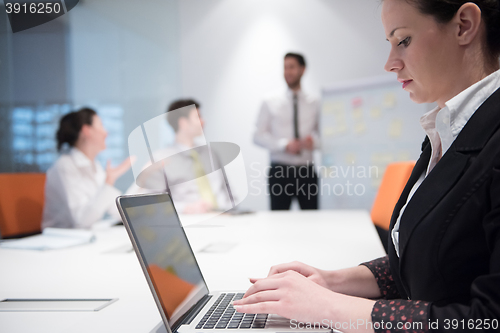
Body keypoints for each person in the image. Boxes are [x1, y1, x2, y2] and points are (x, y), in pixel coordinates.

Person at [233, 1, 500, 332]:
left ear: (463, 25)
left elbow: (489, 319)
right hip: (281, 168)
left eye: (403, 40)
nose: (389, 63)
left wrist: (329, 308)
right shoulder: (446, 131)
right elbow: (431, 258)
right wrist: (332, 281)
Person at [128, 99, 232, 214]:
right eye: (198, 117)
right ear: (183, 122)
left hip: (227, 217)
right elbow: (154, 201)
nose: (203, 121)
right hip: (192, 221)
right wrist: (185, 208)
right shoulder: (161, 158)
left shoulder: (211, 153)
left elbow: (227, 190)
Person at [42, 108, 132, 229]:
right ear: (87, 130)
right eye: (101, 125)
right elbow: (81, 222)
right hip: (62, 240)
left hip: (84, 237)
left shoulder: (95, 165)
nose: (106, 133)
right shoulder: (65, 166)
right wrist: (108, 182)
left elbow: (115, 209)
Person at [253, 53, 320, 210]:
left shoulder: (315, 102)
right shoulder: (269, 101)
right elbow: (257, 136)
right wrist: (284, 145)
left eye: (292, 67)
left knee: (312, 221)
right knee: (278, 223)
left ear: (302, 70)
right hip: (280, 172)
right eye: (285, 67)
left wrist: (314, 143)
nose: (287, 72)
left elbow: (325, 136)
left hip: (307, 172)